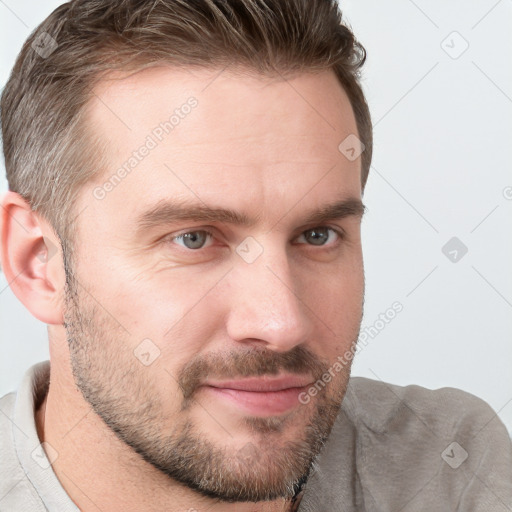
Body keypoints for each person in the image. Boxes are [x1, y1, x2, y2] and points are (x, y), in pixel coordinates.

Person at [0, 1, 511, 511]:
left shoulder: (451, 469)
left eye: (317, 235)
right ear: (37, 262)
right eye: (194, 239)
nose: (282, 323)